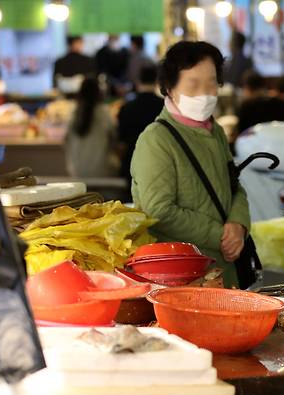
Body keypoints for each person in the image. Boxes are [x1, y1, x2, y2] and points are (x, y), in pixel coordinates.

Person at [130, 41, 251, 288]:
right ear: (169, 88)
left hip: (224, 269)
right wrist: (220, 235)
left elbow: (234, 184)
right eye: (193, 84)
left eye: (211, 83)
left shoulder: (214, 130)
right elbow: (158, 211)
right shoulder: (155, 139)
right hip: (182, 276)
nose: (205, 93)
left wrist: (238, 225)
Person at [117, 65, 164, 199]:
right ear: (156, 81)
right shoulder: (164, 107)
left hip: (130, 167)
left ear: (138, 82)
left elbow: (121, 143)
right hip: (159, 166)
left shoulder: (126, 107)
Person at [65, 77, 118, 177]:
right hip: (101, 171)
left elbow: (66, 141)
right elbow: (114, 138)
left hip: (76, 171)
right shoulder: (104, 113)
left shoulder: (75, 114)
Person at [235, 70, 284, 136]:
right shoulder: (278, 102)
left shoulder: (246, 106)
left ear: (247, 87)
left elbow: (242, 134)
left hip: (254, 145)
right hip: (278, 142)